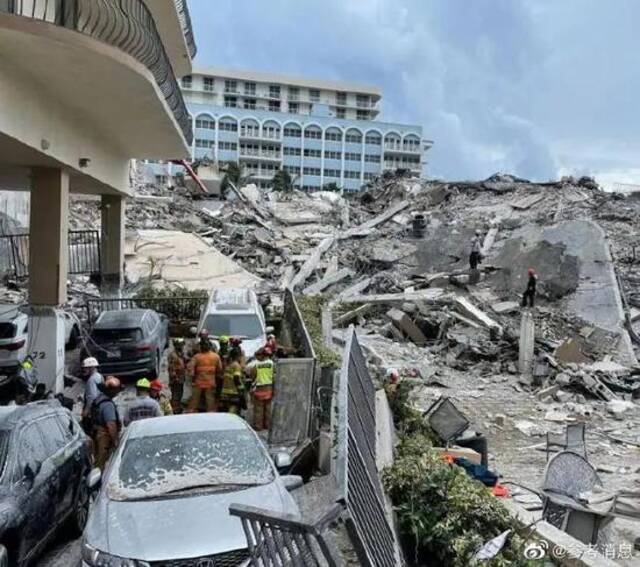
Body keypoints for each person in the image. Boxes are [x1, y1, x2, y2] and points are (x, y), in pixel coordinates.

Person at [91, 376, 121, 470]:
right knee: (102, 462)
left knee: (97, 460)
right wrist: (116, 440)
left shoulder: (98, 400)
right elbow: (111, 424)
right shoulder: (108, 405)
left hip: (95, 433)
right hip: (104, 436)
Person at [187, 339, 223, 413]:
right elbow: (219, 370)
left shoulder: (196, 357)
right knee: (210, 402)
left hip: (199, 383)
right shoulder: (215, 356)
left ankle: (191, 414)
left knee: (194, 401)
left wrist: (192, 380)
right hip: (210, 383)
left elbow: (190, 370)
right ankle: (210, 415)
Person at [250, 348, 274, 431]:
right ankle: (267, 425)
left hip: (259, 389)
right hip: (269, 388)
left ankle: (258, 426)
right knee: (268, 408)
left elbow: (252, 377)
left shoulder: (256, 365)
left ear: (262, 355)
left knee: (258, 409)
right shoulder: (272, 364)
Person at [217, 350, 245, 414]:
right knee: (233, 409)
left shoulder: (228, 365)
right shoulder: (236, 365)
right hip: (233, 392)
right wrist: (241, 389)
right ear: (238, 356)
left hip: (224, 391)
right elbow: (236, 377)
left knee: (225, 410)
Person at [81, 357, 103, 434]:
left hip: (93, 411)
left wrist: (86, 412)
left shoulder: (91, 380)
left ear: (92, 368)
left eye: (86, 368)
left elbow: (91, 397)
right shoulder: (99, 376)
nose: (84, 370)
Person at [167, 338, 187, 413]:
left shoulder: (180, 354)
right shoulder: (173, 355)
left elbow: (184, 361)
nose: (182, 347)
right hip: (176, 379)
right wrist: (175, 378)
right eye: (181, 345)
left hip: (181, 378)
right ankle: (174, 409)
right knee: (175, 394)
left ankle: (178, 406)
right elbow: (171, 368)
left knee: (180, 393)